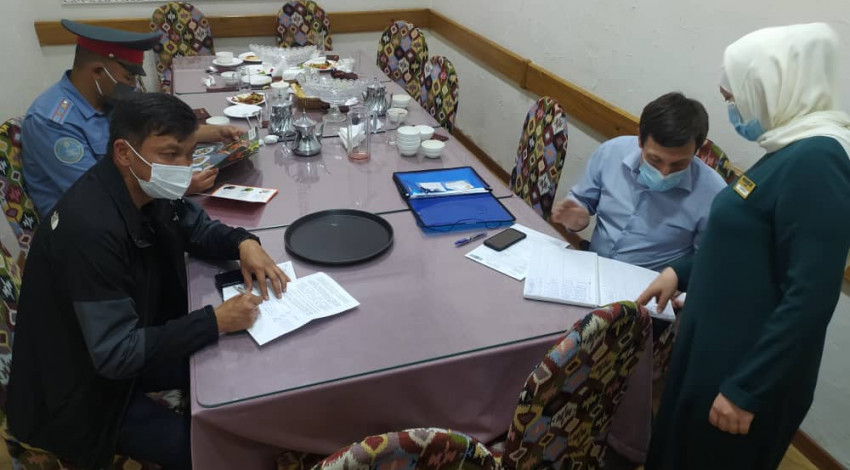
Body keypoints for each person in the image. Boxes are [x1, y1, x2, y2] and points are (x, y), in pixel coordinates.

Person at [6, 93, 290, 470]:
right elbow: (116, 354)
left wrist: (243, 243)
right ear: (124, 152)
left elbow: (196, 228)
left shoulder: (147, 186)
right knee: (218, 451)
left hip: (125, 345)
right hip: (82, 393)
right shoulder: (89, 228)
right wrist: (215, 321)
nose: (184, 167)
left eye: (189, 153)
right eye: (171, 154)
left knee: (243, 371)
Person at [638, 23, 850, 469]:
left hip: (742, 371)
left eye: (733, 98)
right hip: (713, 349)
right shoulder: (787, 148)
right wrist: (681, 271)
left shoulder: (818, 161)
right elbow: (745, 244)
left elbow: (810, 296)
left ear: (774, 86)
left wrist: (747, 389)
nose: (733, 111)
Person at [22, 19, 242, 217]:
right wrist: (176, 186)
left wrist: (213, 132)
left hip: (136, 205)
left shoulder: (110, 95)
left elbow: (157, 131)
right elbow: (95, 194)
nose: (133, 85)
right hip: (89, 226)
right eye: (129, 77)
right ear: (97, 72)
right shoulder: (52, 122)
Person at [551, 92, 727, 271]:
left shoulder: (713, 194)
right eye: (655, 160)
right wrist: (577, 218)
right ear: (640, 140)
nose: (664, 172)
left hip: (652, 283)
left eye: (678, 164)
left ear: (696, 151)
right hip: (593, 267)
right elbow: (581, 201)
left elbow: (705, 263)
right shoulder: (611, 153)